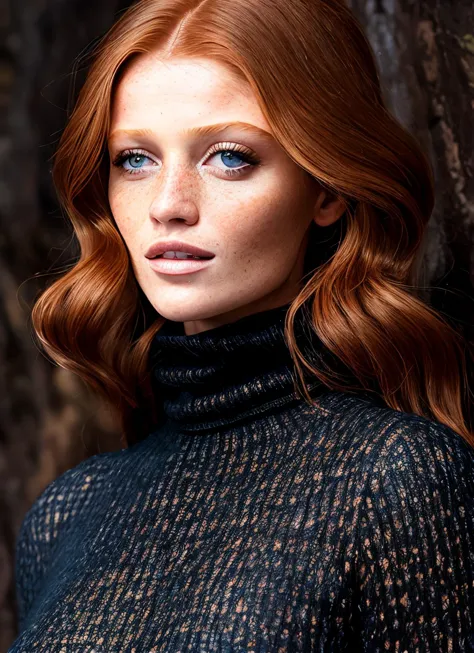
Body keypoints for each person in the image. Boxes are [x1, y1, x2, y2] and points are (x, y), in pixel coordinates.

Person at [8, 0, 474, 650]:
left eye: (228, 157)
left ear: (326, 188)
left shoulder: (395, 480)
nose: (169, 205)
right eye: (135, 159)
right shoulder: (62, 516)